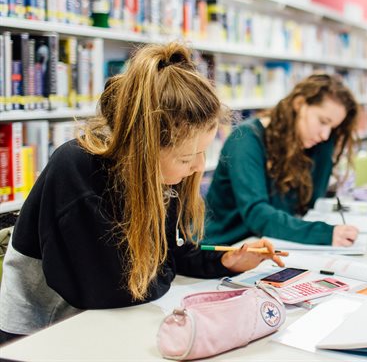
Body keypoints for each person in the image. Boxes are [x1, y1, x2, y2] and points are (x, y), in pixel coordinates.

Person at [0, 43, 283, 343]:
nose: (198, 166)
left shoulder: (157, 174)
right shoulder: (78, 170)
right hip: (39, 335)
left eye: (203, 153)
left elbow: (169, 253)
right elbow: (111, 291)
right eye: (187, 158)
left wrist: (224, 262)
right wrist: (167, 269)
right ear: (146, 148)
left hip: (104, 321)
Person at [203, 73, 360, 247]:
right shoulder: (246, 140)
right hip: (224, 249)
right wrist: (323, 233)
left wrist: (326, 148)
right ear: (299, 104)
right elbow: (257, 215)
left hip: (270, 244)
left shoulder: (312, 145)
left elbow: (310, 205)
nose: (325, 135)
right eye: (323, 121)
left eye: (333, 128)